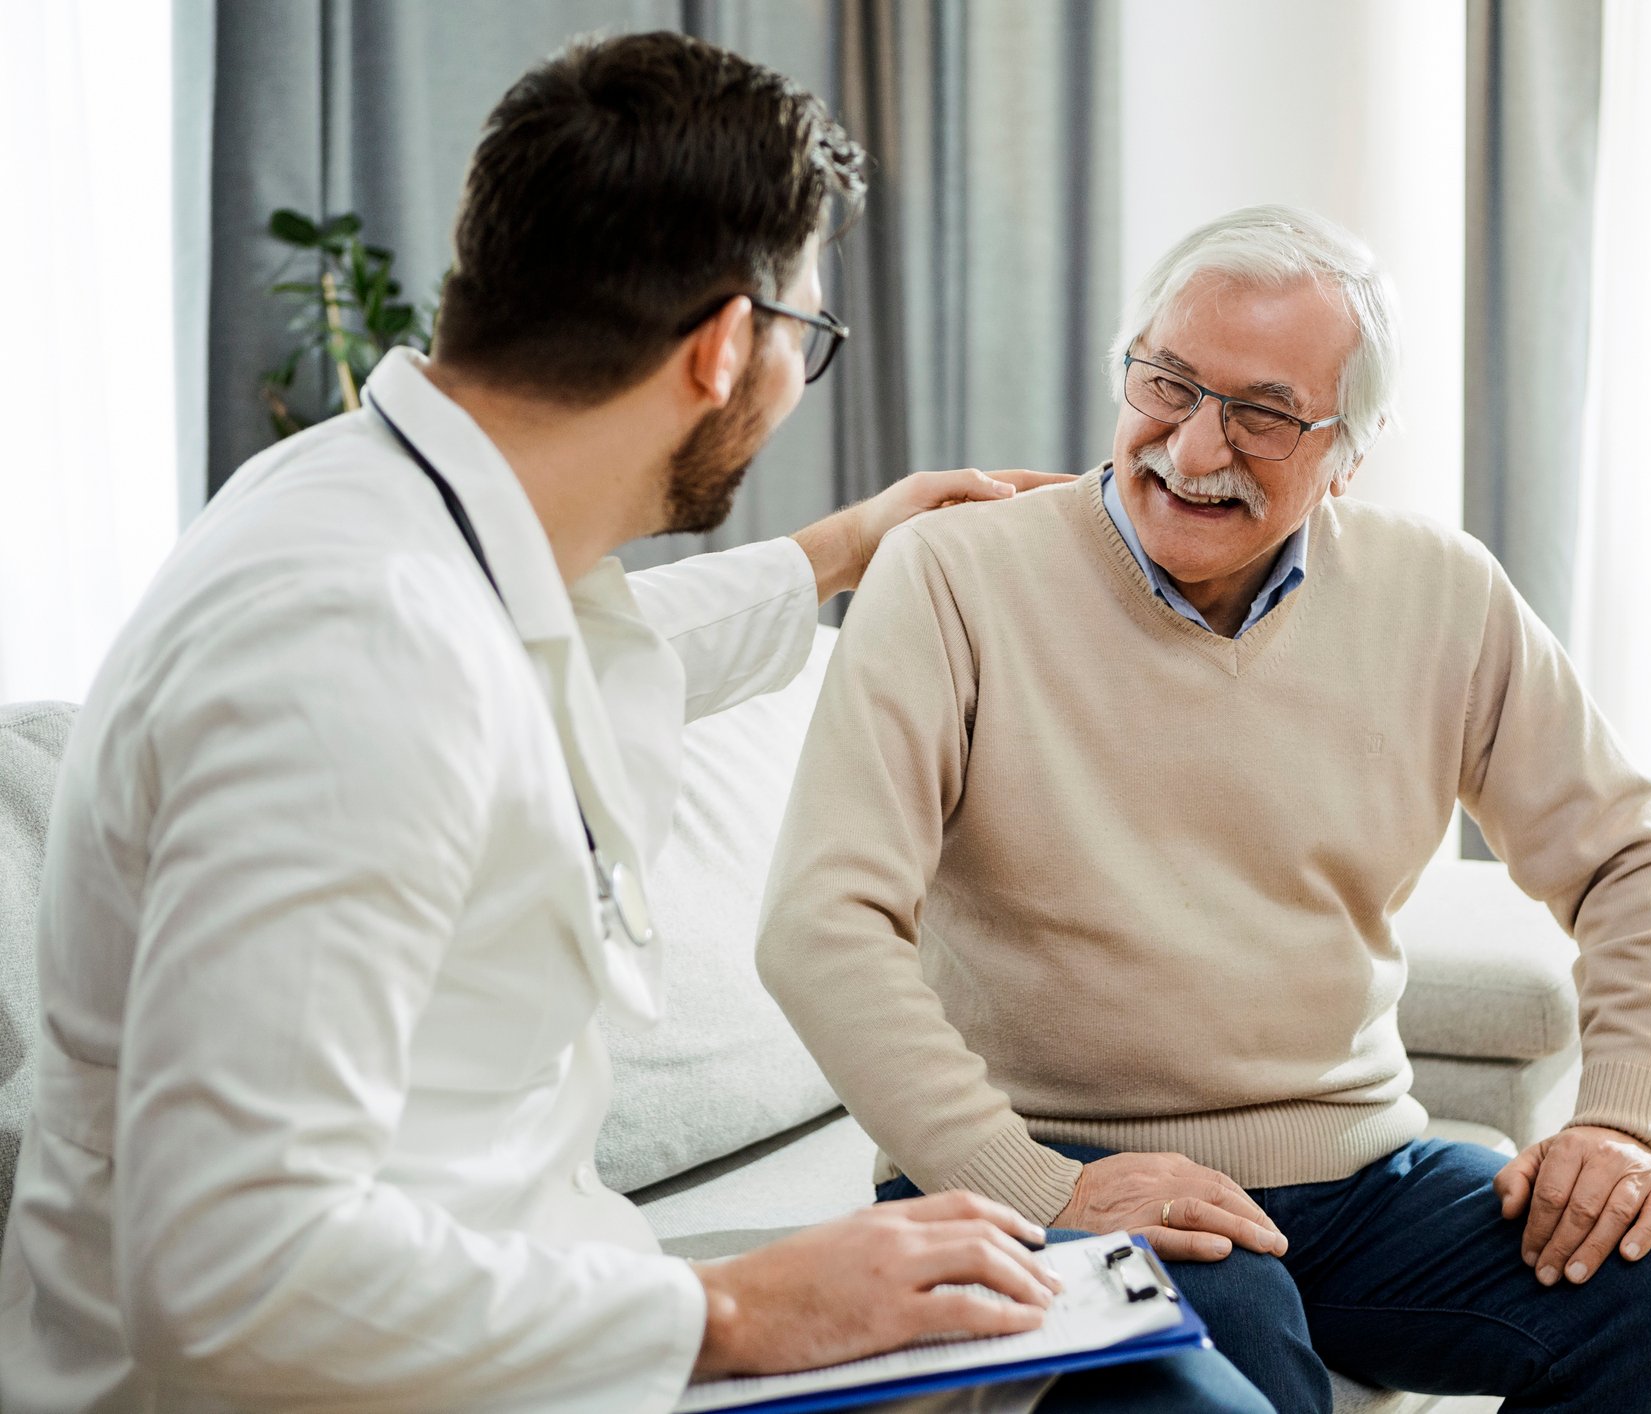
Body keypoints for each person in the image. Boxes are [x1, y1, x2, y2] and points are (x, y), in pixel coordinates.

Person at [0, 34, 1267, 1414]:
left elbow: (560, 655)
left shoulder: (381, 514)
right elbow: (228, 1274)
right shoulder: (350, 651)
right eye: (808, 339)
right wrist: (740, 1307)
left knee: (1142, 1346)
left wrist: (843, 547)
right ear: (726, 346)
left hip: (540, 1311)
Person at [757, 204, 1651, 1413]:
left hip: (1355, 1179)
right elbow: (822, 924)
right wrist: (1043, 1185)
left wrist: (1625, 1121)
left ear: (1350, 452)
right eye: (1166, 383)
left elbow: (1630, 860)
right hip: (1042, 1172)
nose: (1193, 445)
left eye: (1263, 414)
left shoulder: (1441, 593)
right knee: (1240, 1357)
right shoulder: (952, 575)